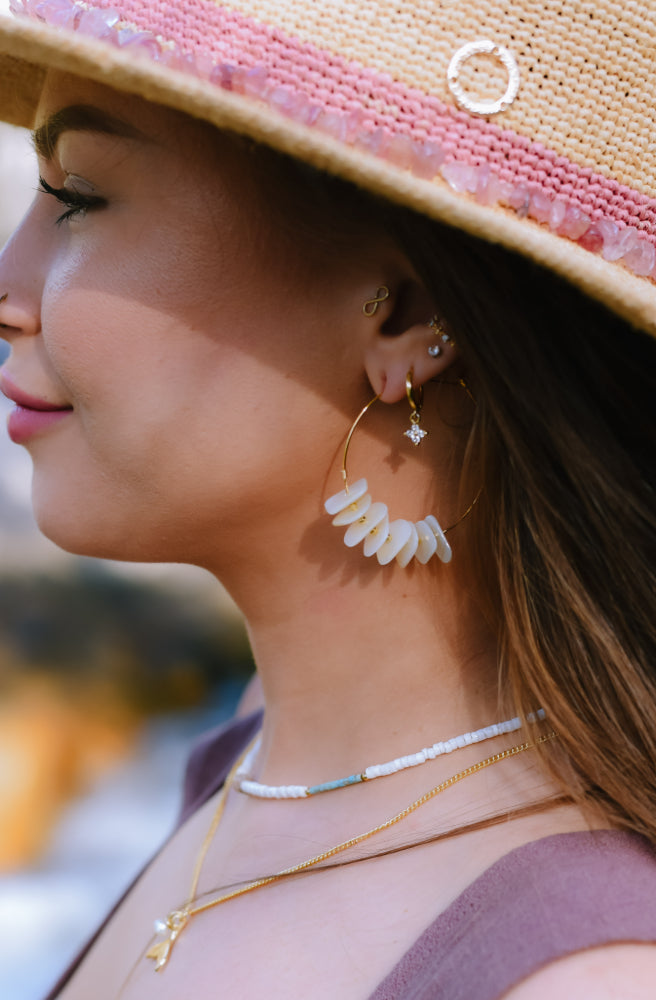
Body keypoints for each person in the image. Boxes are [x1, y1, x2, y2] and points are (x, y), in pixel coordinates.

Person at [0, 1, 655, 997]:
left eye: (77, 196)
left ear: (405, 317)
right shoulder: (261, 762)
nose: (9, 286)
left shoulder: (586, 975)